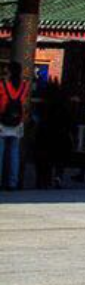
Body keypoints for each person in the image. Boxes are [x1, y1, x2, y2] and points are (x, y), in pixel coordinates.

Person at [0, 61, 30, 190]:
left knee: (0, 152)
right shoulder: (25, 86)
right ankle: (13, 182)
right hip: (18, 122)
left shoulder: (2, 85)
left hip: (2, 121)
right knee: (14, 152)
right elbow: (23, 104)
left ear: (10, 72)